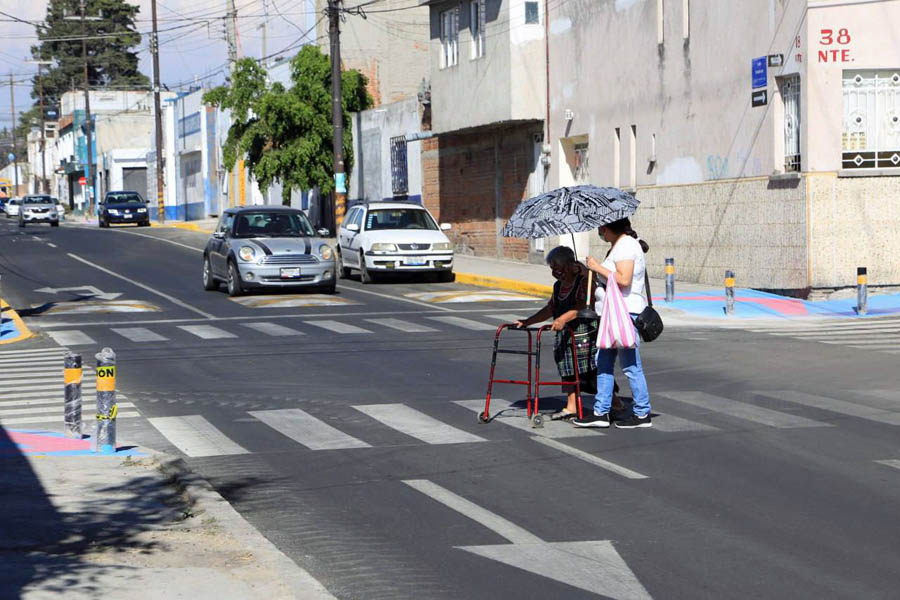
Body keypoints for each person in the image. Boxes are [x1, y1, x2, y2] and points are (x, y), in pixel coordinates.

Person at [515, 246, 620, 420]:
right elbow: (550, 309)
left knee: (590, 370)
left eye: (560, 268)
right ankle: (571, 406)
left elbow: (581, 306)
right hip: (565, 335)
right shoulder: (558, 286)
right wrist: (527, 322)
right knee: (567, 369)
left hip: (584, 333)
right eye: (553, 269)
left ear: (571, 265)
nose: (557, 273)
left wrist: (563, 318)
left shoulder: (583, 282)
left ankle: (615, 402)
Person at [574, 218, 653, 429]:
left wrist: (597, 267)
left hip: (624, 313)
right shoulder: (618, 245)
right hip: (612, 313)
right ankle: (601, 411)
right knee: (604, 363)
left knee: (630, 365)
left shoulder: (626, 245)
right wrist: (589, 270)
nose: (600, 232)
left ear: (607, 228)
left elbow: (623, 279)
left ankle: (642, 413)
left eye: (601, 227)